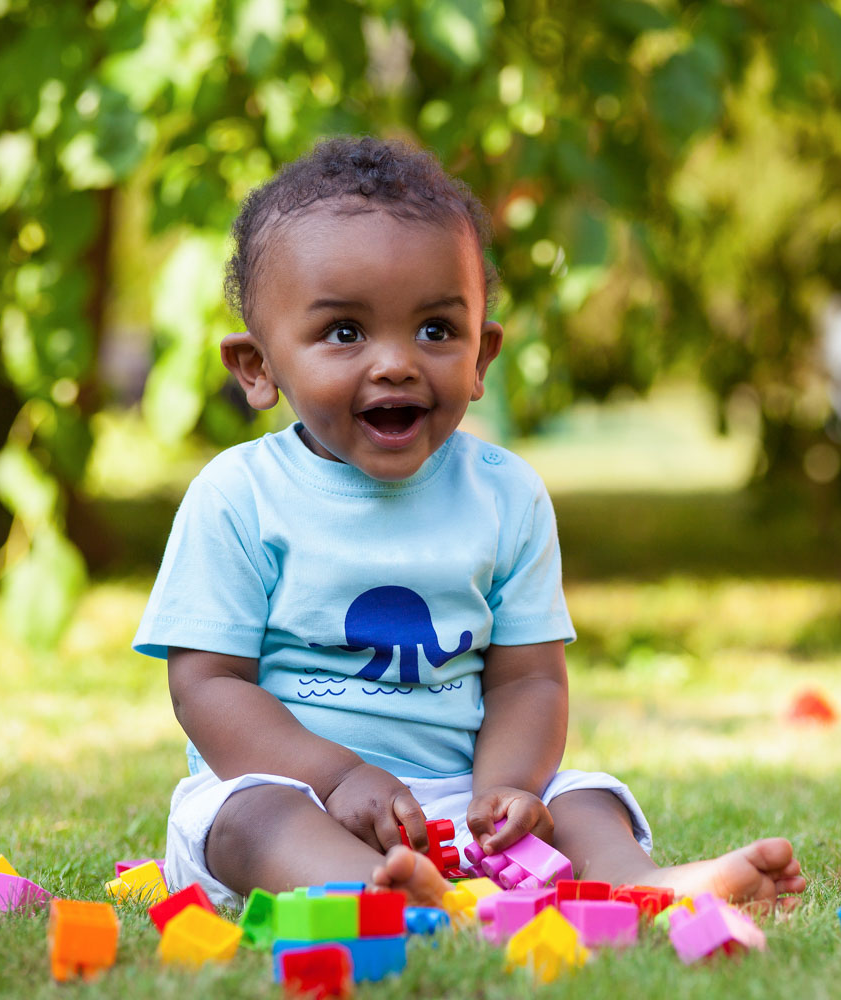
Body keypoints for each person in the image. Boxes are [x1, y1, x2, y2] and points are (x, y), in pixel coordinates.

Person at [133, 136, 806, 910]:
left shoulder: (505, 496)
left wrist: (506, 791)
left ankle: (649, 890)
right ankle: (377, 894)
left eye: (435, 330)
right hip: (300, 796)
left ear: (482, 355)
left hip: (458, 801)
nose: (396, 364)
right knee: (248, 818)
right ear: (258, 367)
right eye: (345, 332)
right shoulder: (238, 496)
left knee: (587, 799)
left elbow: (527, 679)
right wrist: (338, 776)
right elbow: (209, 685)